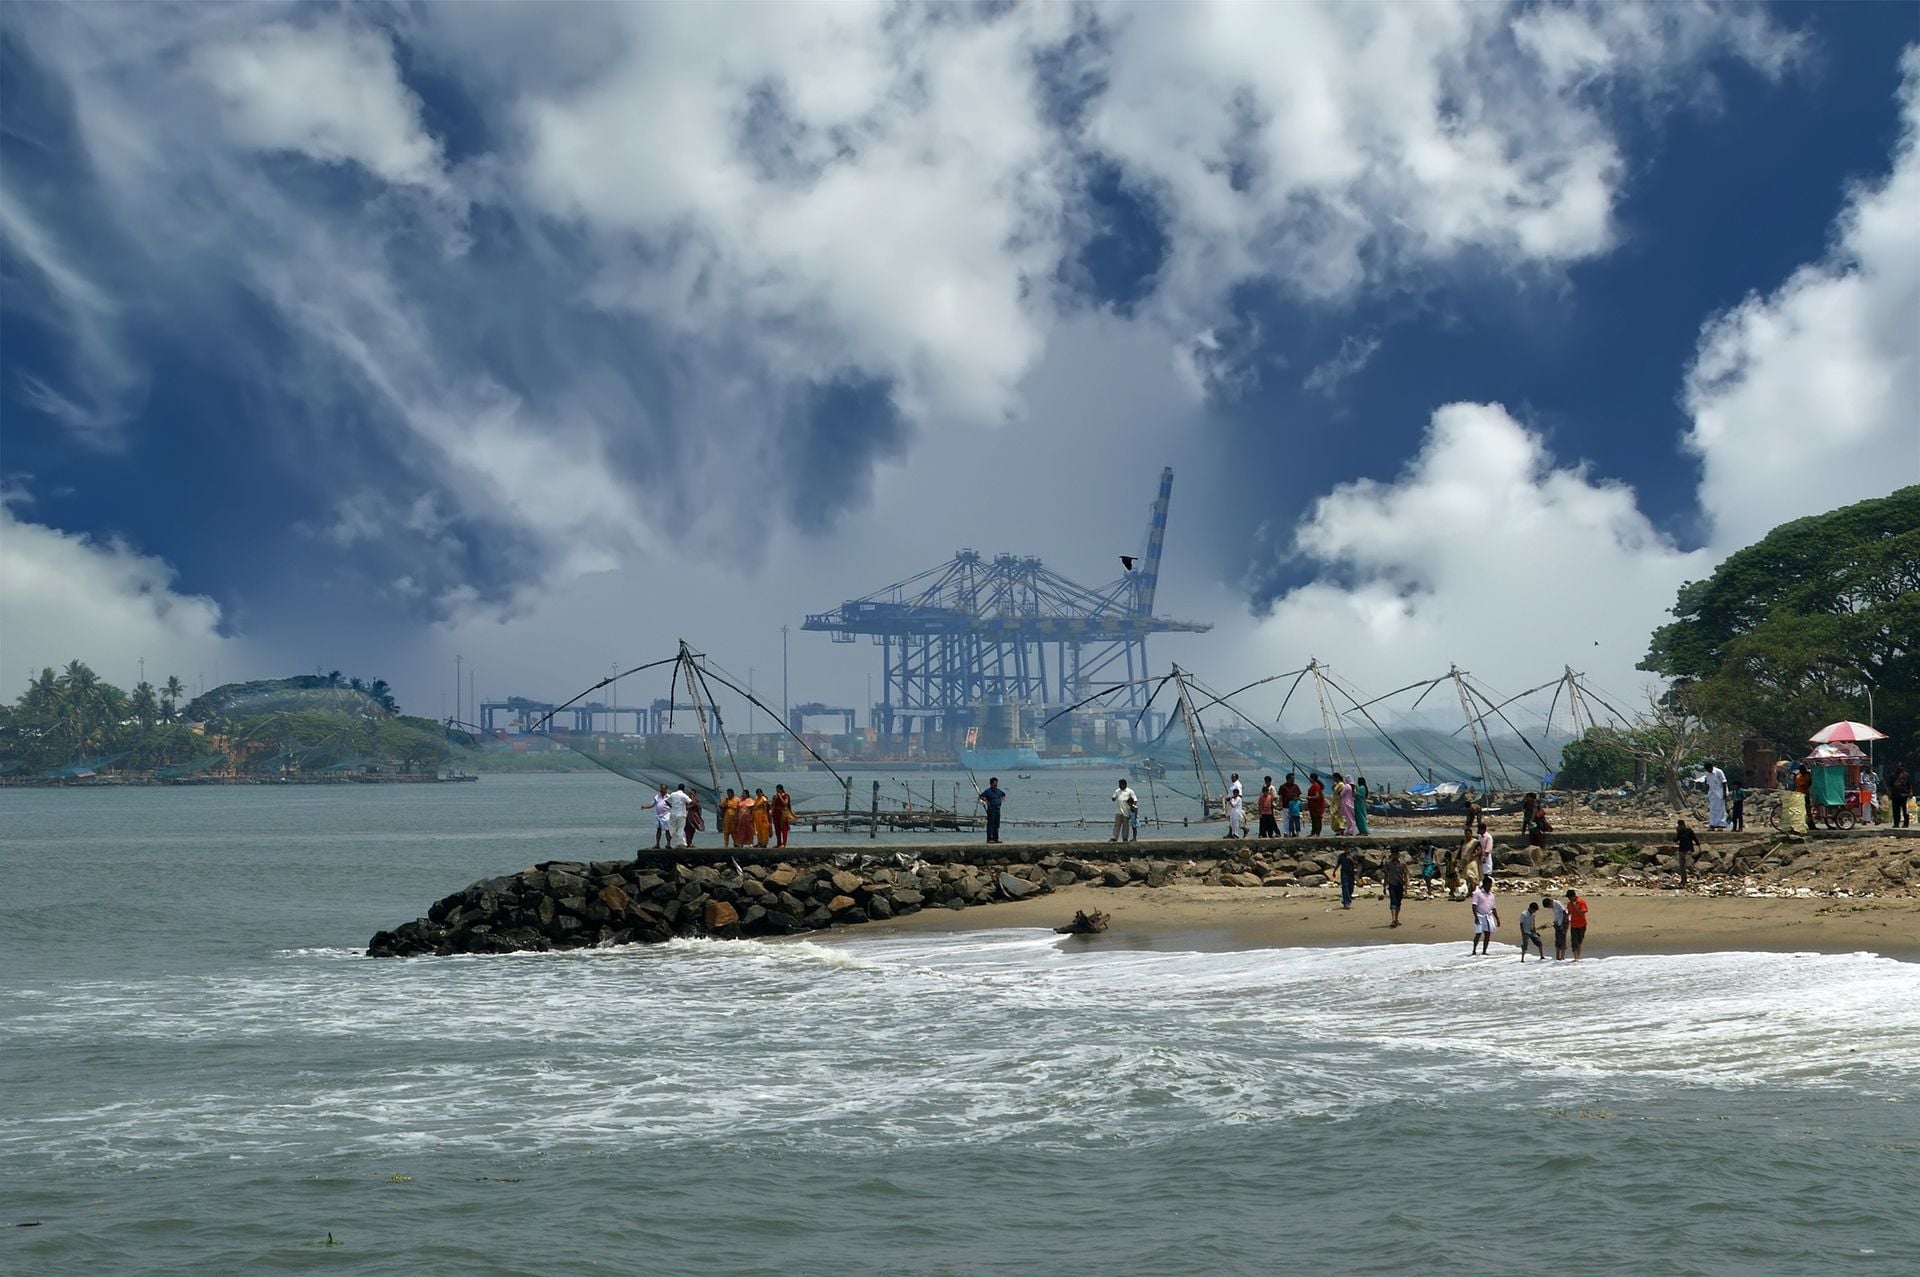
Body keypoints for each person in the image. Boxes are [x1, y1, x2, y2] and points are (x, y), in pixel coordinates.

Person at [1469, 876, 1498, 955]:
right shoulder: (1478, 894)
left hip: (1488, 916)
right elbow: (1474, 906)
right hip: (1480, 915)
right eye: (1488, 885)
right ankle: (1474, 950)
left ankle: (1484, 951)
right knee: (1478, 933)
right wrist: (1476, 917)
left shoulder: (1491, 895)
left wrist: (1497, 919)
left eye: (1490, 885)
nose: (1489, 887)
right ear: (1484, 885)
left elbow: (1493, 908)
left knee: (1487, 934)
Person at [1382, 848, 1409, 927]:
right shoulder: (1388, 863)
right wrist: (1384, 886)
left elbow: (1406, 875)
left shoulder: (1402, 863)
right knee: (1393, 902)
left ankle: (1396, 919)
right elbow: (1386, 874)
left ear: (1398, 854)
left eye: (1396, 854)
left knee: (1398, 902)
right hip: (1392, 884)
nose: (1395, 856)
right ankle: (1393, 920)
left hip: (1400, 884)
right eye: (1393, 854)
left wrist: (1406, 887)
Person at [978, 777, 1007, 843]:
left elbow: (1003, 794)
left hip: (998, 808)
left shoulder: (998, 791)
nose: (996, 785)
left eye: (996, 783)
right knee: (991, 824)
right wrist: (986, 801)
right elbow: (981, 796)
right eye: (994, 784)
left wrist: (1001, 800)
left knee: (996, 824)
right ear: (991, 784)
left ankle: (996, 838)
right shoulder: (988, 791)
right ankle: (989, 839)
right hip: (991, 809)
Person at [1110, 778, 1137, 843]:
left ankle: (1125, 838)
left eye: (1121, 784)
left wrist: (1132, 807)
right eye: (1119, 784)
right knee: (1117, 824)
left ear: (1124, 785)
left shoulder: (1130, 791)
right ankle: (1114, 837)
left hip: (1126, 811)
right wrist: (1113, 798)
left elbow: (1135, 800)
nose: (1120, 786)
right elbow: (1114, 797)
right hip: (1118, 811)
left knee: (1125, 825)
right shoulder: (1117, 791)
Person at [1704, 760, 1729, 830]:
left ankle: (1721, 824)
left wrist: (1724, 793)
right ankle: (1712, 824)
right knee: (1712, 809)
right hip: (1712, 793)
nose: (1708, 771)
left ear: (1711, 767)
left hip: (1720, 793)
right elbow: (1708, 784)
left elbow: (1724, 782)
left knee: (1721, 809)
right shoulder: (1707, 774)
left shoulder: (1719, 771)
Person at [1566, 889, 1589, 960]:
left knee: (1579, 941)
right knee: (1574, 942)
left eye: (1570, 897)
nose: (1569, 899)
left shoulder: (1581, 902)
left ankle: (1578, 957)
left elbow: (1583, 912)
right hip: (1573, 925)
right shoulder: (1569, 904)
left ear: (1574, 896)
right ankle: (1576, 958)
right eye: (1568, 898)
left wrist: (1576, 907)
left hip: (1582, 924)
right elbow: (1569, 913)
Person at [666, 783, 691, 848]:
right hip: (681, 814)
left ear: (678, 788)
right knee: (681, 829)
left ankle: (672, 842)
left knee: (672, 829)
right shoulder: (684, 795)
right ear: (683, 789)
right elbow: (690, 802)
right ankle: (681, 843)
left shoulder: (673, 794)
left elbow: (667, 801)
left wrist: (671, 806)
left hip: (673, 813)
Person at [1675, 818, 1698, 886]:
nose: (1679, 827)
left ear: (1683, 825)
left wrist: (1699, 846)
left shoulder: (1689, 831)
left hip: (1688, 850)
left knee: (1688, 864)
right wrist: (1677, 832)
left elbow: (1695, 838)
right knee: (1682, 866)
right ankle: (1683, 880)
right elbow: (1675, 840)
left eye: (1680, 825)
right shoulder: (1680, 832)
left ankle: (1696, 873)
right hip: (1681, 850)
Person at [1336, 844, 1359, 909]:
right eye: (1346, 849)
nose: (1347, 850)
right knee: (1345, 887)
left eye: (1348, 849)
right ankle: (1347, 903)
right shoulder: (1341, 856)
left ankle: (1346, 899)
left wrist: (1351, 859)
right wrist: (1334, 871)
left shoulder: (1353, 855)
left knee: (1350, 888)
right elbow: (1338, 864)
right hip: (1344, 873)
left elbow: (1356, 864)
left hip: (1351, 873)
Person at [1548, 893, 1570, 961]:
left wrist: (1563, 924)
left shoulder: (1557, 904)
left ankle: (1562, 957)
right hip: (1557, 923)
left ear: (1550, 903)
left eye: (1549, 906)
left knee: (1562, 939)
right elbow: (1557, 915)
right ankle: (1558, 957)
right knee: (1557, 940)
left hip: (1563, 922)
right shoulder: (1553, 905)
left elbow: (1565, 913)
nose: (1549, 908)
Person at [1891, 763, 1914, 829]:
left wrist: (1910, 792)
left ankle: (1906, 824)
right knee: (1896, 810)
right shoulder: (1893, 775)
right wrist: (1890, 793)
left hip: (1904, 795)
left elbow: (1909, 784)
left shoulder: (1906, 775)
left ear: (1903, 767)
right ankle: (1896, 824)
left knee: (1905, 810)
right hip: (1895, 795)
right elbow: (1891, 785)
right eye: (1897, 767)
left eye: (1900, 767)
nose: (1898, 769)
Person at [771, 783, 794, 848]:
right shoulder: (775, 796)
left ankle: (784, 843)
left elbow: (785, 804)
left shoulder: (786, 795)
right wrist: (775, 799)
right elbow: (772, 805)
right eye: (777, 790)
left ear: (781, 790)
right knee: (777, 829)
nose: (777, 791)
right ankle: (779, 843)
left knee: (784, 828)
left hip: (782, 813)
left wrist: (780, 797)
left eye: (778, 790)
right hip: (776, 813)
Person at [650, 784, 672, 850]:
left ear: (666, 789)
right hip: (658, 815)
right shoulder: (657, 796)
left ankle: (668, 844)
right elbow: (653, 804)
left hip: (666, 815)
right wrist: (645, 806)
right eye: (661, 788)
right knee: (658, 829)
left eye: (663, 788)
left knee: (667, 830)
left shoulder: (669, 797)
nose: (662, 790)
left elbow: (672, 806)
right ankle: (657, 844)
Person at [1226, 772, 1245, 838]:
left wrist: (1231, 798)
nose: (1232, 778)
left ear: (1237, 778)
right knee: (1231, 818)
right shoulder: (1232, 784)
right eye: (1231, 777)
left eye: (1233, 777)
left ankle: (1235, 832)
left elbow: (1239, 794)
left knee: (1235, 819)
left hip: (1234, 803)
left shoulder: (1238, 785)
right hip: (1230, 802)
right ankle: (1231, 832)